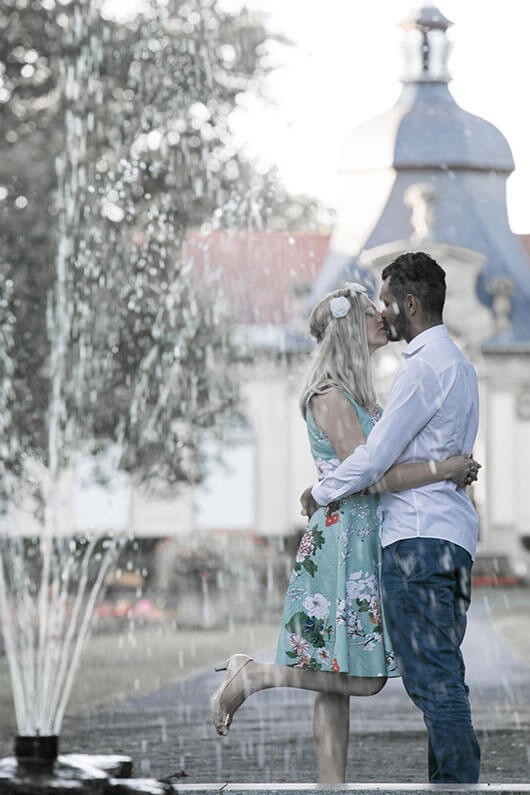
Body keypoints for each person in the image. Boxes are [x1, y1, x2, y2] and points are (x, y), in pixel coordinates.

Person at [210, 277, 480, 784]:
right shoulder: (330, 395)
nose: (383, 315)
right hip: (343, 540)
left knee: (334, 680)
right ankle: (254, 676)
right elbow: (373, 476)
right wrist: (443, 468)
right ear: (350, 330)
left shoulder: (357, 392)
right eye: (369, 312)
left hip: (362, 534)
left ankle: (331, 785)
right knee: (363, 677)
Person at [303, 251, 482, 784]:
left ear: (410, 303)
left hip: (418, 541)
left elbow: (376, 461)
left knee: (435, 683)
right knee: (443, 677)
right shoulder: (461, 366)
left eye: (387, 303)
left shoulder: (421, 369)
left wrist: (319, 491)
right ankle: (449, 783)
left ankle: (456, 787)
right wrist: (447, 466)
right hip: (451, 538)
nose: (384, 314)